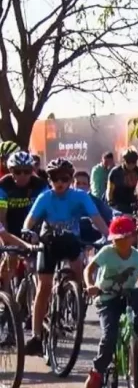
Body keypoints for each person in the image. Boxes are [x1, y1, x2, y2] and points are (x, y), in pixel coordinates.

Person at [23, 158, 110, 355]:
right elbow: (30, 221)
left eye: (64, 178)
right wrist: (27, 231)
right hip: (49, 243)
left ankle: (74, 298)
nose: (59, 182)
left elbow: (97, 219)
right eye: (54, 178)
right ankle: (36, 336)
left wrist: (109, 236)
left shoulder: (80, 196)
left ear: (71, 179)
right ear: (50, 180)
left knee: (78, 269)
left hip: (71, 241)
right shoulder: (45, 197)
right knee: (44, 287)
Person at [82, 215, 138, 388]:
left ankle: (137, 335)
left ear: (133, 238)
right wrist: (91, 285)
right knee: (109, 335)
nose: (120, 244)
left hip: (127, 295)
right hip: (106, 298)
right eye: (116, 240)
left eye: (124, 239)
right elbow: (89, 269)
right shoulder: (107, 252)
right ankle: (98, 370)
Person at [0, 151, 48, 291]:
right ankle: (5, 295)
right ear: (11, 171)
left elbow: (46, 211)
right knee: (11, 259)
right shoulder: (4, 185)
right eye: (18, 171)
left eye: (27, 171)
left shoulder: (40, 184)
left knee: (34, 264)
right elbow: (2, 217)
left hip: (31, 226)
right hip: (9, 224)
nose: (22, 175)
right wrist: (6, 240)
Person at [106, 149, 138, 214]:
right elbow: (110, 190)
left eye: (133, 162)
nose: (131, 165)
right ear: (123, 161)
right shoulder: (115, 172)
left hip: (130, 201)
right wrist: (110, 202)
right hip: (117, 203)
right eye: (128, 162)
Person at [74, 170, 114, 247]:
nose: (81, 186)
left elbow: (109, 219)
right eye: (78, 183)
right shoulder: (67, 202)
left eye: (84, 184)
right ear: (72, 185)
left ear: (89, 187)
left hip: (93, 242)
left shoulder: (97, 203)